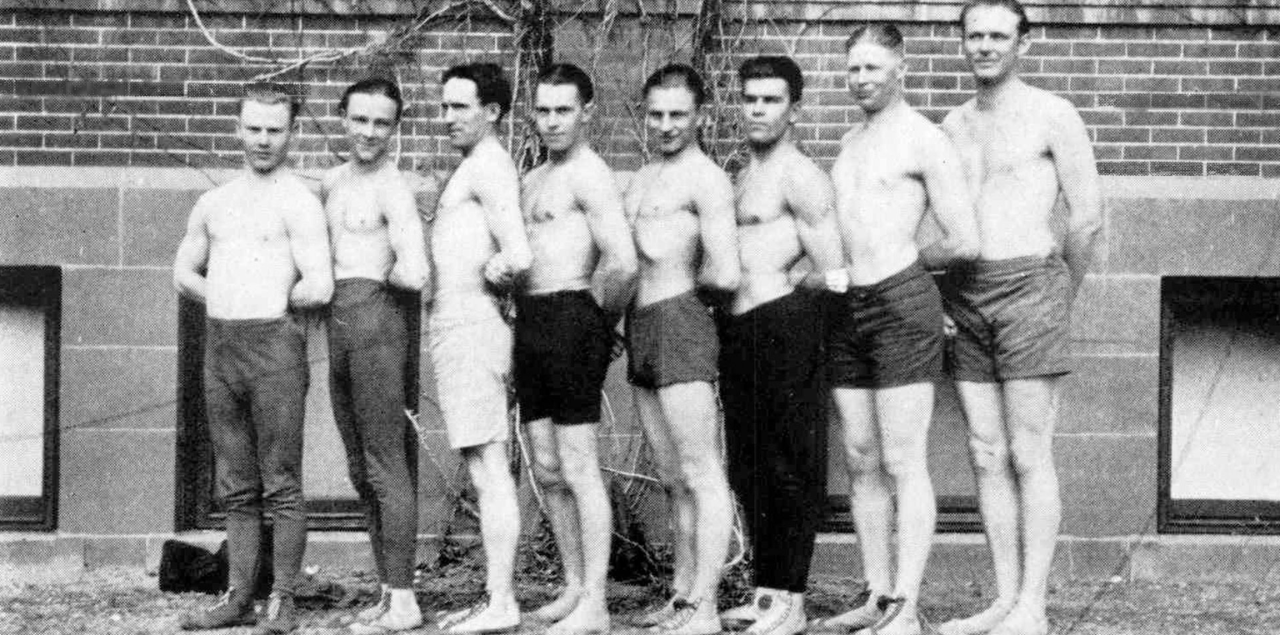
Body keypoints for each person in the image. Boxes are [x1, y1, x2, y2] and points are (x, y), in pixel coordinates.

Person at [937, 2, 1102, 634]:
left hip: (1032, 286)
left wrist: (1061, 292)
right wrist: (942, 297)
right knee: (985, 452)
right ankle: (1004, 600)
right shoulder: (952, 124)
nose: (984, 46)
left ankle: (1033, 606)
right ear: (962, 43)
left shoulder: (1052, 114)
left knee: (1030, 452)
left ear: (1023, 43)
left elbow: (1086, 218)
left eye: (998, 36)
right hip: (967, 293)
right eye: (974, 35)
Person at [817, 24, 980, 635]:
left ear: (900, 68)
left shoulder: (925, 139)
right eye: (853, 69)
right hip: (847, 306)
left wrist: (907, 268)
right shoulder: (849, 141)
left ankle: (905, 608)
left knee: (903, 458)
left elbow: (964, 239)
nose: (861, 79)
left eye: (872, 68)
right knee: (860, 456)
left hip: (900, 304)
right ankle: (877, 595)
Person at [173, 83, 334, 635]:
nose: (263, 140)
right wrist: (224, 295)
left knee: (281, 481)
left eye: (275, 130)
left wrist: (271, 299)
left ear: (292, 133)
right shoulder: (214, 203)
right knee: (236, 484)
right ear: (237, 129)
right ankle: (239, 595)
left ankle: (282, 598)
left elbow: (320, 282)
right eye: (254, 128)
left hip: (275, 347)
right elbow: (183, 273)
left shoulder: (299, 202)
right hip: (221, 347)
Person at [714, 56, 847, 635]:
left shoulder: (800, 176)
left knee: (790, 466)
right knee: (749, 468)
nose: (758, 110)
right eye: (750, 99)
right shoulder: (744, 175)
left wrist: (795, 298)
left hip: (785, 328)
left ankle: (792, 601)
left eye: (771, 100)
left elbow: (835, 271)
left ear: (795, 109)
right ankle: (767, 594)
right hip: (740, 332)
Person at [516, 62, 639, 635]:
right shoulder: (533, 179)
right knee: (546, 466)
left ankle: (596, 603)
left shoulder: (591, 176)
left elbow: (623, 262)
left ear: (587, 112)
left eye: (563, 110)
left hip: (572, 314)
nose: (552, 121)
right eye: (543, 110)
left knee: (579, 465)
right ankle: (572, 586)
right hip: (532, 321)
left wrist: (597, 323)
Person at [624, 63, 741, 635]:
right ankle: (682, 595)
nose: (666, 125)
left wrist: (684, 295)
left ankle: (707, 606)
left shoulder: (707, 180)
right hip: (640, 324)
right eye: (656, 114)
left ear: (701, 116)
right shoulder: (643, 177)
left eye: (678, 114)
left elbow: (727, 271)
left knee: (700, 470)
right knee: (671, 475)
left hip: (679, 320)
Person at [320, 77, 430, 634]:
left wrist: (376, 290)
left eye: (381, 123)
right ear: (343, 117)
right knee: (360, 466)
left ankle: (406, 599)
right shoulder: (332, 182)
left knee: (386, 462)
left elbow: (417, 270)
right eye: (360, 119)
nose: (369, 132)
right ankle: (389, 589)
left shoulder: (393, 189)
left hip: (377, 321)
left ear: (395, 128)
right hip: (338, 324)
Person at [427, 62, 533, 635]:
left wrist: (495, 273)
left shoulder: (490, 165)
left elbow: (518, 253)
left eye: (460, 107)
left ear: (492, 112)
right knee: (482, 463)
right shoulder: (477, 163)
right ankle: (497, 598)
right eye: (445, 106)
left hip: (472, 326)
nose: (448, 117)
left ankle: (502, 603)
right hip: (458, 324)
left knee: (489, 466)